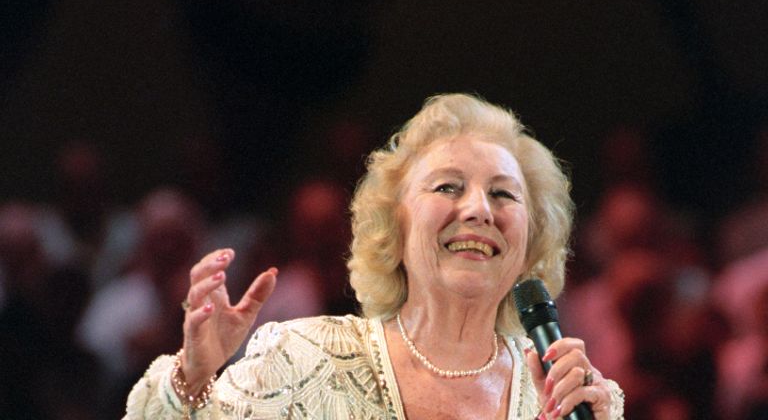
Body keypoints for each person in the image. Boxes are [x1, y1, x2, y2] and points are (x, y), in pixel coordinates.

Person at [124, 94, 624, 419]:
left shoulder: (576, 399)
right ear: (395, 228)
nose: (477, 210)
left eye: (503, 195)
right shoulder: (303, 363)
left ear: (530, 242)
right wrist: (193, 375)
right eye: (448, 186)